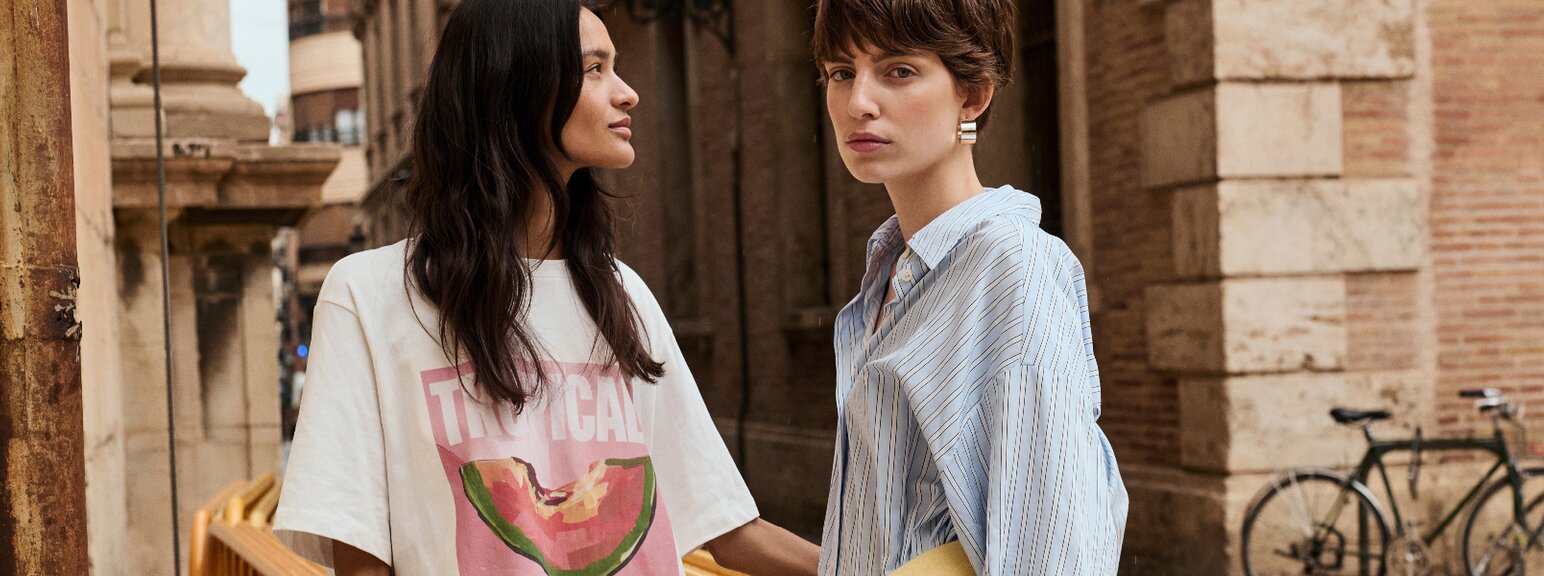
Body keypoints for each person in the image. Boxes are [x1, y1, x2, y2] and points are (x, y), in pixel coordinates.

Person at [273, 2, 819, 574]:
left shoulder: (622, 295)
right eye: (595, 69)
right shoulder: (367, 297)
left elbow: (728, 529)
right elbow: (362, 560)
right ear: (516, 87)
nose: (628, 94)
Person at [810, 0, 1127, 573]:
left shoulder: (1012, 269)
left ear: (973, 95)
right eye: (841, 72)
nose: (859, 102)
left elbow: (1051, 550)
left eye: (898, 70)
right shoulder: (890, 277)